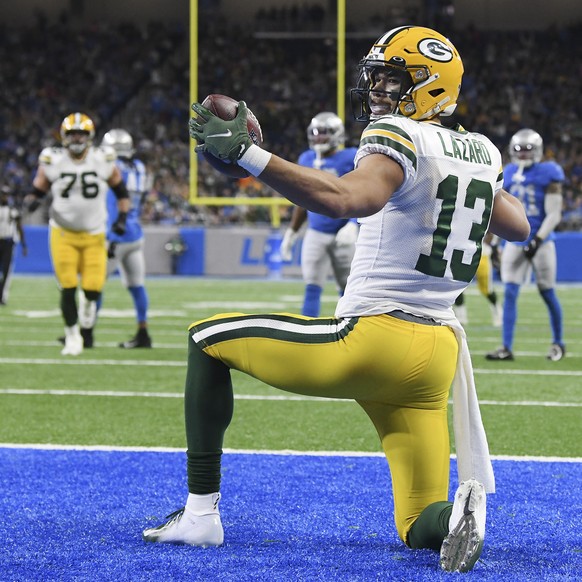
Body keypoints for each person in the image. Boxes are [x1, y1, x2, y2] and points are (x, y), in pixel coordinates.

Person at [144, 26, 530, 573]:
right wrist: (465, 165)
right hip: (435, 355)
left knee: (206, 340)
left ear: (432, 86)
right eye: (376, 76)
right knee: (417, 524)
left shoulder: (401, 135)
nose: (378, 88)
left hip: (375, 338)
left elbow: (349, 198)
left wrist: (251, 156)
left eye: (394, 78)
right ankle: (458, 516)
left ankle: (200, 514)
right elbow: (517, 226)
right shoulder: (481, 151)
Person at [26, 112, 130, 356]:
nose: (76, 138)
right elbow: (38, 189)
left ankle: (86, 310)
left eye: (80, 133)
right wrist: (31, 201)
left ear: (89, 136)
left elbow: (122, 192)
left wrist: (122, 218)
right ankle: (73, 336)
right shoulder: (53, 160)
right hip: (63, 232)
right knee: (68, 286)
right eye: (72, 133)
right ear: (63, 136)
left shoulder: (103, 159)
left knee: (93, 288)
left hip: (95, 232)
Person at [486, 128, 566, 362]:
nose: (522, 154)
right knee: (509, 292)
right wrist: (494, 244)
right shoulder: (508, 171)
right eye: (519, 150)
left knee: (547, 292)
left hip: (541, 242)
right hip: (516, 240)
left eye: (527, 149)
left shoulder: (549, 172)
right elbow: (502, 212)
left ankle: (558, 343)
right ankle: (506, 347)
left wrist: (538, 240)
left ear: (538, 150)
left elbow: (554, 214)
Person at [280, 112, 358, 316]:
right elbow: (302, 199)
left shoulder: (351, 156)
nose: (318, 138)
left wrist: (354, 224)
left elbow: (361, 194)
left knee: (349, 289)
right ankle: (307, 335)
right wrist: (292, 232)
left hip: (345, 233)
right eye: (315, 133)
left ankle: (349, 331)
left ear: (337, 134)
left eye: (324, 133)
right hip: (316, 232)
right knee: (312, 285)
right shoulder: (306, 158)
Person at [100, 129, 153, 348]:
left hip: (116, 235)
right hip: (135, 235)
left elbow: (115, 204)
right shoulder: (139, 167)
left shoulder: (112, 168)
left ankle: (85, 332)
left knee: (93, 285)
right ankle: (143, 333)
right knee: (136, 285)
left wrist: (110, 237)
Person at [453, 233, 502, 326]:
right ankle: (461, 317)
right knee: (457, 286)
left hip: (482, 254)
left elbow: (490, 232)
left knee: (487, 289)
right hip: (464, 254)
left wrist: (488, 246)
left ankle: (498, 311)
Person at [0, 186, 27, 305]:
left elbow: (19, 227)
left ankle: (3, 297)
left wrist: (24, 244)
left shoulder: (13, 209)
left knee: (7, 271)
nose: (4, 196)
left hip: (8, 242)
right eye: (3, 194)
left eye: (6, 194)